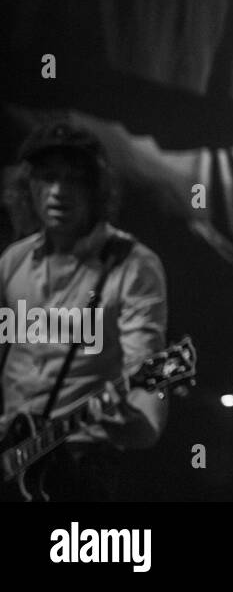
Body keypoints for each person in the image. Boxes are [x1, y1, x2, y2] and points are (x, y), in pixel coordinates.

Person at [0, 119, 168, 501]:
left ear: (98, 189)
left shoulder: (132, 265)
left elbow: (147, 397)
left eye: (74, 179)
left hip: (81, 468)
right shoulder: (14, 261)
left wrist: (126, 414)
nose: (59, 191)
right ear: (29, 186)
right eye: (48, 177)